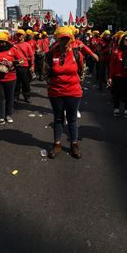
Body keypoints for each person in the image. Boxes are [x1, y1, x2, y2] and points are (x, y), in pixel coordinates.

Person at [45, 26, 84, 159]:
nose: (65, 42)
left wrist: (77, 83)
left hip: (73, 92)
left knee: (72, 119)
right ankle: (57, 144)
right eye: (62, 39)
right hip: (56, 92)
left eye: (68, 39)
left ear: (72, 40)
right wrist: (51, 85)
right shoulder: (50, 54)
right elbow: (46, 73)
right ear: (58, 40)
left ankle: (74, 144)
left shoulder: (77, 54)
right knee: (58, 118)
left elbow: (81, 71)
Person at [0, 32, 23, 127]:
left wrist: (12, 63)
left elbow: (22, 61)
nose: (1, 44)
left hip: (10, 78)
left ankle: (8, 115)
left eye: (3, 42)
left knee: (9, 97)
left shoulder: (13, 49)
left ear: (7, 42)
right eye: (0, 42)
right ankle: (0, 118)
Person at [108, 32, 127, 117]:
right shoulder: (116, 51)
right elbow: (112, 65)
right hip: (117, 76)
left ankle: (126, 109)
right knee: (117, 93)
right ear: (122, 41)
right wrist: (110, 77)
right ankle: (116, 108)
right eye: (125, 40)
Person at [14, 29, 33, 103]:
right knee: (16, 83)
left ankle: (27, 96)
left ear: (24, 36)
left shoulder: (27, 45)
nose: (18, 36)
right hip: (16, 66)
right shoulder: (14, 45)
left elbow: (31, 56)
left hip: (25, 66)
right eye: (17, 35)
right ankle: (15, 97)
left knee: (26, 83)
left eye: (20, 35)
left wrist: (32, 66)